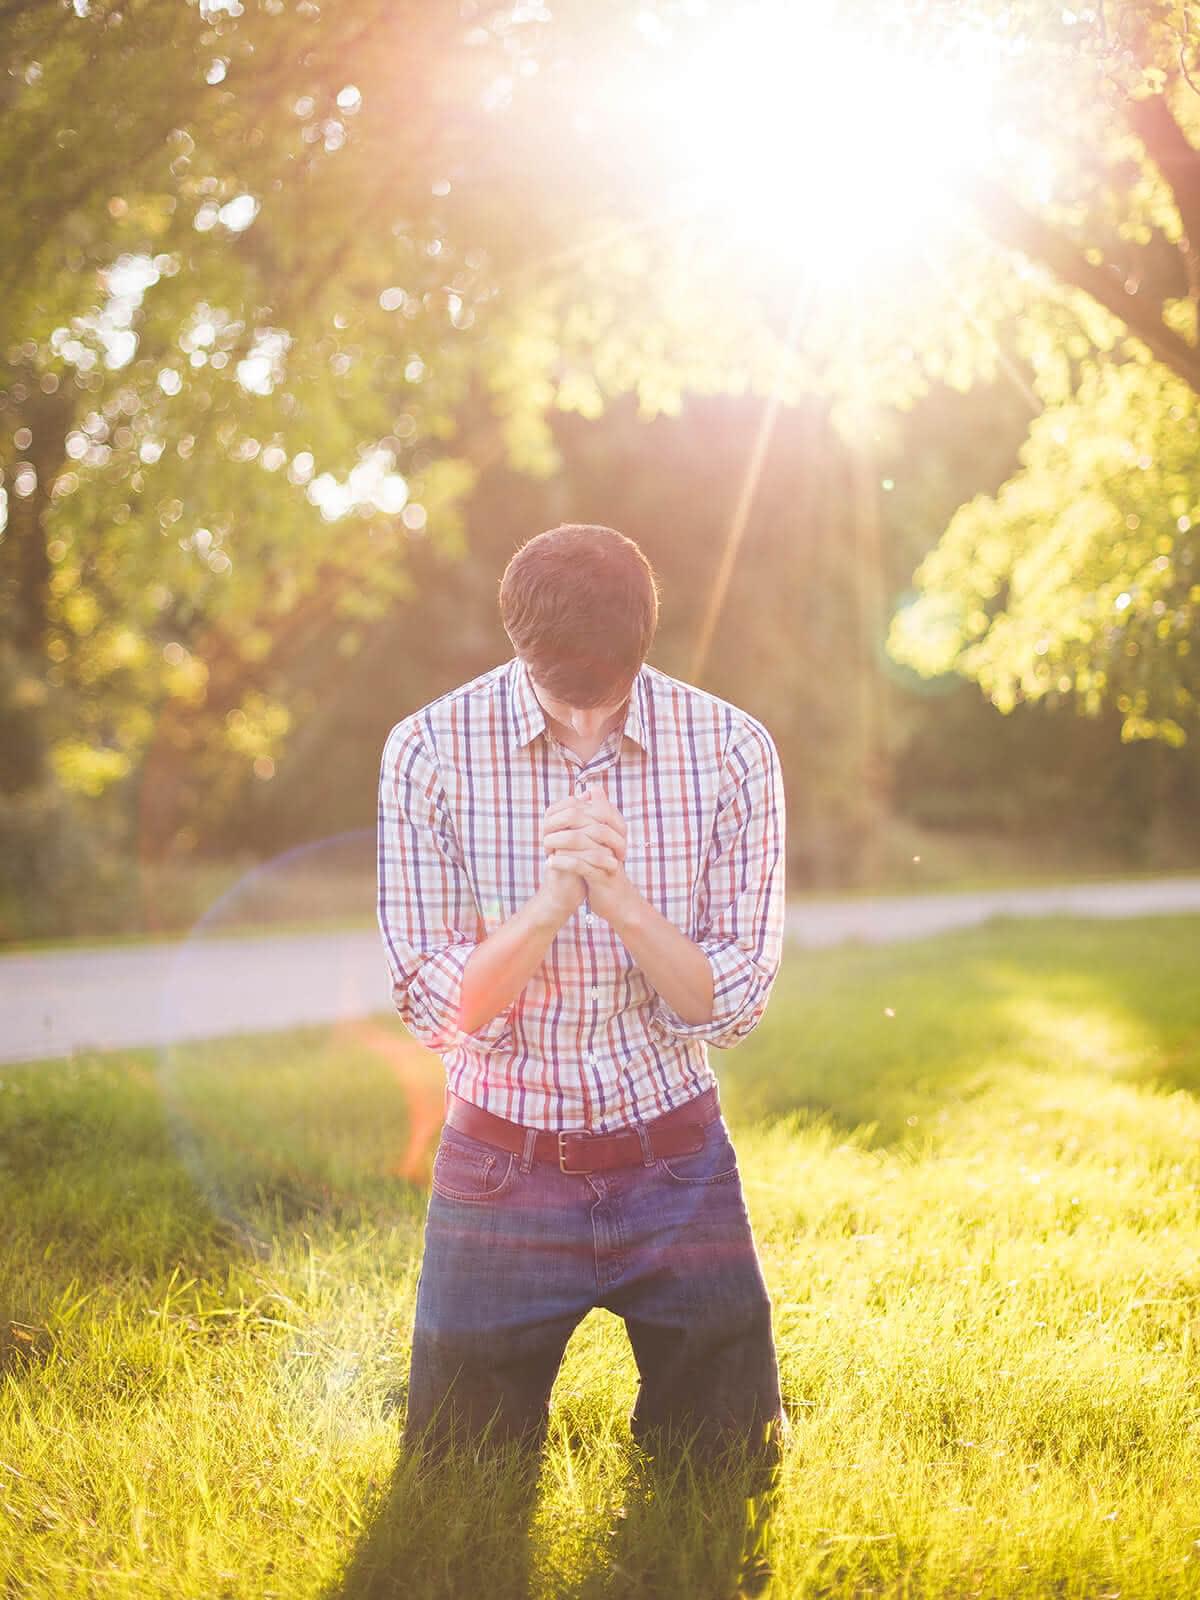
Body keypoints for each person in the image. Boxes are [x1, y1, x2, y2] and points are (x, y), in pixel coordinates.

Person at [375, 523, 788, 1536]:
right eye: (567, 693)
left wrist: (626, 905)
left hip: (676, 1158)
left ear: (649, 636)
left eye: (613, 688)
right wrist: (549, 908)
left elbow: (728, 1004)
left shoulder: (731, 748)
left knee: (732, 1469)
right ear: (518, 646)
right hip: (500, 1165)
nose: (592, 715)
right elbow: (441, 1008)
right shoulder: (429, 750)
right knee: (456, 1481)